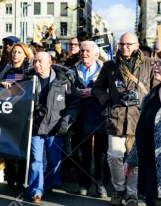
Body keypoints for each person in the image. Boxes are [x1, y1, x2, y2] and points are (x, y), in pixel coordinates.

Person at [92, 33, 153, 206]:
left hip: (139, 118)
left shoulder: (148, 64)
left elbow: (157, 89)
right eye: (121, 44)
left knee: (134, 159)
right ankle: (118, 189)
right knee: (114, 156)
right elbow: (98, 88)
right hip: (116, 117)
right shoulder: (110, 65)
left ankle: (132, 195)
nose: (124, 47)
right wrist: (108, 101)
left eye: (128, 44)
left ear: (137, 45)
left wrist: (146, 104)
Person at [25, 52, 80, 204]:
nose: (36, 64)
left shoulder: (64, 81)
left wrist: (66, 123)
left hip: (55, 127)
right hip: (35, 126)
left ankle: (49, 183)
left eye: (40, 61)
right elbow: (13, 91)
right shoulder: (28, 78)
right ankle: (36, 190)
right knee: (36, 159)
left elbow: (74, 103)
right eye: (34, 61)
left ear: (50, 62)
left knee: (53, 159)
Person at [69, 41, 109, 198]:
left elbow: (111, 90)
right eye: (81, 51)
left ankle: (101, 184)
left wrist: (93, 92)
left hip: (100, 116)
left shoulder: (106, 70)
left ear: (96, 54)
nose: (83, 53)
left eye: (87, 51)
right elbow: (65, 89)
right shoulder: (71, 70)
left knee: (101, 154)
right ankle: (84, 183)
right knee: (82, 153)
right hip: (79, 116)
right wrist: (74, 91)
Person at [125, 51, 161, 206]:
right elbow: (142, 131)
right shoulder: (151, 95)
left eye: (160, 63)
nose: (155, 67)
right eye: (154, 63)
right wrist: (131, 159)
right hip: (151, 165)